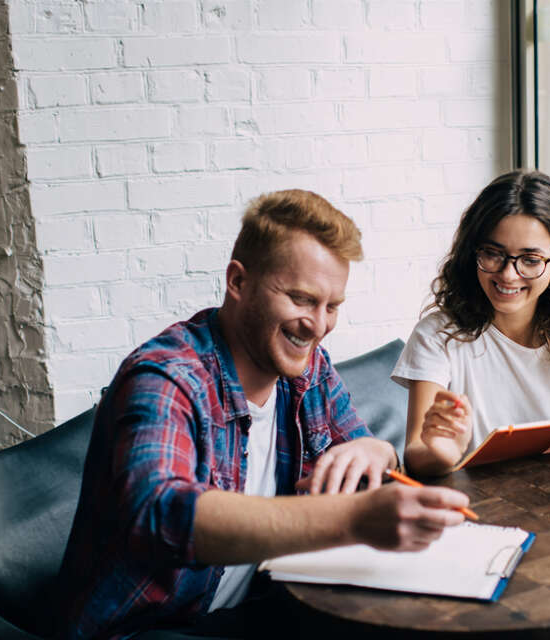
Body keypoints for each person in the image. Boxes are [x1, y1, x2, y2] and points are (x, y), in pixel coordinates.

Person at [58, 190, 471, 639]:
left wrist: (379, 452)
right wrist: (350, 519)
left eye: (332, 307)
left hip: (260, 606)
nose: (317, 325)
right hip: (144, 630)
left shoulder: (307, 368)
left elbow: (362, 450)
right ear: (238, 282)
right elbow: (163, 514)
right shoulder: (165, 378)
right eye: (300, 298)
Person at [392, 170, 550, 476]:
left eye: (530, 260)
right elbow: (416, 454)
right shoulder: (438, 336)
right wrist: (443, 452)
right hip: (478, 505)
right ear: (473, 250)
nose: (508, 275)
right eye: (493, 254)